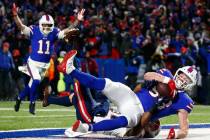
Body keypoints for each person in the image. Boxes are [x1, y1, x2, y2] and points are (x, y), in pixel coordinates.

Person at [56, 50, 176, 133]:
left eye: (160, 79)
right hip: (131, 97)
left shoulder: (168, 97)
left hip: (137, 111)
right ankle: (70, 69)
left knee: (126, 120)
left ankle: (87, 128)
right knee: (106, 84)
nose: (156, 79)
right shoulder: (151, 84)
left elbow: (148, 119)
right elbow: (146, 78)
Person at [12, 3, 85, 114]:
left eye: (49, 25)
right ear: (41, 24)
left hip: (45, 65)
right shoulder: (34, 30)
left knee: (31, 85)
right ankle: (32, 103)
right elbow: (20, 26)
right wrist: (15, 16)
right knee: (36, 80)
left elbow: (68, 30)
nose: (47, 27)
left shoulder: (54, 32)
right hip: (33, 63)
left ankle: (18, 99)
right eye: (45, 25)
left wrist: (78, 20)